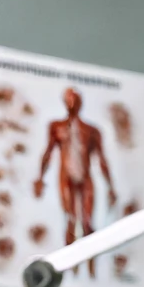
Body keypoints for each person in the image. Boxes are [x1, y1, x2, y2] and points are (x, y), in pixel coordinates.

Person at [34, 87, 116, 276]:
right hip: (67, 178)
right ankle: (71, 269)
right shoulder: (57, 127)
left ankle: (91, 268)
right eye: (69, 100)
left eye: (75, 100)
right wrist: (40, 178)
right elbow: (48, 153)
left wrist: (110, 187)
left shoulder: (92, 131)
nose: (72, 104)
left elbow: (101, 159)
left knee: (88, 222)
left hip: (85, 178)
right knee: (71, 221)